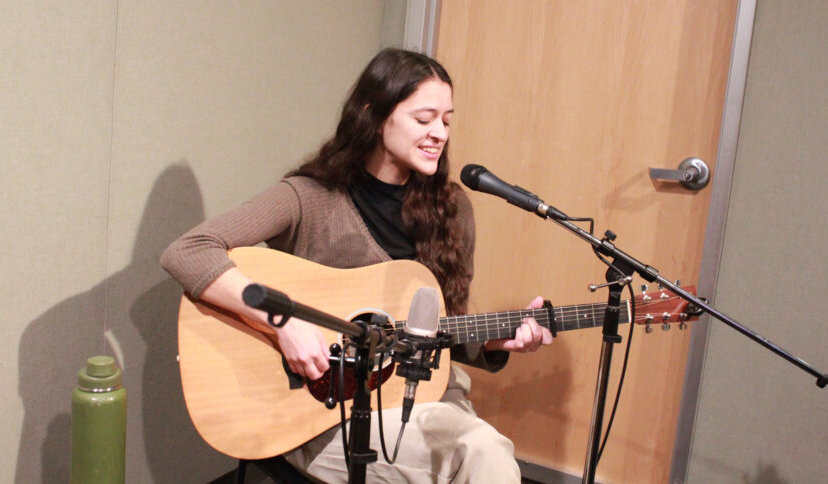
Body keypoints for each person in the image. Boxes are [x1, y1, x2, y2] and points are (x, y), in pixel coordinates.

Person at [161, 48, 553, 483]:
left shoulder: (453, 210)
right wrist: (283, 324)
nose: (438, 133)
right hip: (326, 410)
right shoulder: (309, 197)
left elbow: (440, 332)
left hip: (427, 400)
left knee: (484, 449)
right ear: (374, 113)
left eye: (446, 120)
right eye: (424, 119)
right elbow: (190, 249)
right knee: (479, 452)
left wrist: (500, 342)